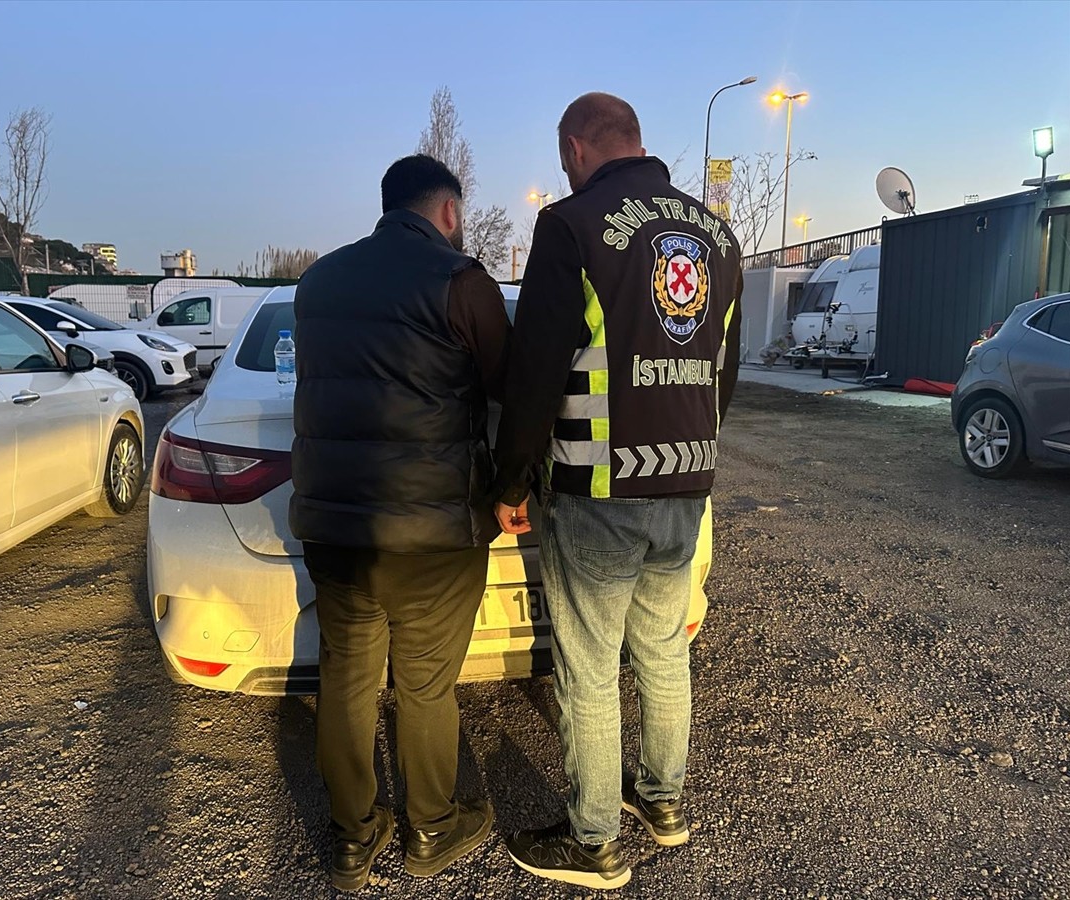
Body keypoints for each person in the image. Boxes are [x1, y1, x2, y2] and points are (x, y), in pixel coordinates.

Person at [494, 93, 742, 890]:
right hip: (687, 480)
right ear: (637, 142)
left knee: (592, 667)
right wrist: (690, 454)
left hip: (597, 486)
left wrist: (511, 478)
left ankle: (593, 841)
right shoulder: (718, 236)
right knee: (665, 650)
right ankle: (662, 803)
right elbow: (724, 372)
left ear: (575, 147)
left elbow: (535, 371)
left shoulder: (570, 226)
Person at [289, 154, 509, 892]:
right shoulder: (462, 280)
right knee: (425, 686)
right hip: (433, 534)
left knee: (347, 682)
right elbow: (507, 386)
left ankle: (352, 839)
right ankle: (430, 829)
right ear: (447, 211)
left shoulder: (318, 281)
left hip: (334, 528)